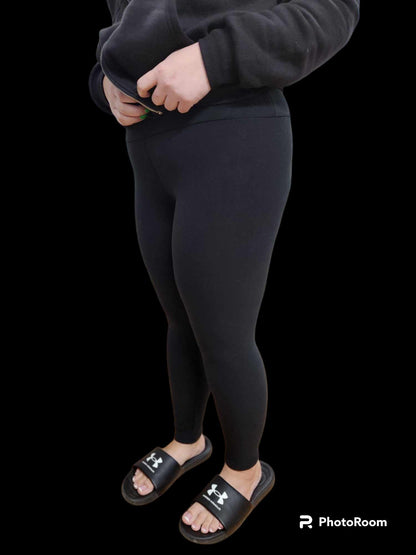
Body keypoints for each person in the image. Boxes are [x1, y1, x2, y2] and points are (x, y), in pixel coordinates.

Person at [89, 0, 360, 544]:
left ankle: (244, 470)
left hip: (233, 127)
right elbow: (122, 27)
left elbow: (335, 8)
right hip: (148, 142)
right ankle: (188, 441)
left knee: (223, 332)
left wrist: (216, 58)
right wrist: (104, 84)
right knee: (178, 317)